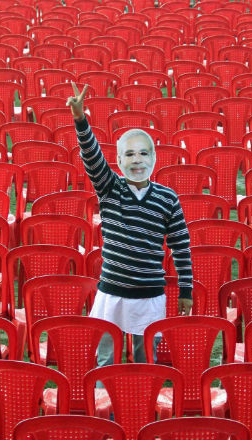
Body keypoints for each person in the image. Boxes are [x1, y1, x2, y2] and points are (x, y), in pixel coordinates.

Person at [66, 82, 193, 365]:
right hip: (112, 292)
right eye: (130, 154)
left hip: (150, 295)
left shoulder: (168, 197)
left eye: (144, 153)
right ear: (119, 160)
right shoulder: (110, 188)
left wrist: (186, 290)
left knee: (145, 361)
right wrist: (80, 120)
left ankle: (142, 396)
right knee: (106, 360)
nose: (137, 160)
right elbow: (92, 157)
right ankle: (104, 397)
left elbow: (181, 247)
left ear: (154, 158)